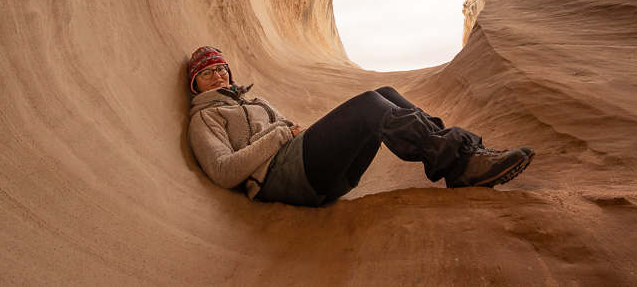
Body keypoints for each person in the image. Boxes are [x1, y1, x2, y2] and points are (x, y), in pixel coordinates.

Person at [186, 46, 535, 207]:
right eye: (207, 73)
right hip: (280, 180)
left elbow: (285, 128)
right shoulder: (204, 118)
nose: (218, 76)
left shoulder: (255, 103)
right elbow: (223, 170)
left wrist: (292, 130)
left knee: (385, 94)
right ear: (195, 85)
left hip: (322, 175)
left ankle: (463, 155)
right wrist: (281, 133)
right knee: (369, 104)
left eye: (222, 69)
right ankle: (460, 166)